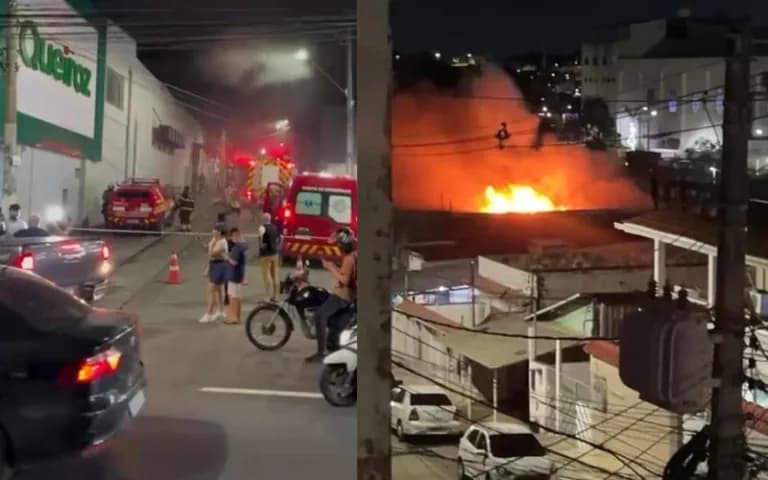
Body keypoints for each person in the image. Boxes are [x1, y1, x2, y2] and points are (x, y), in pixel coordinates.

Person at [305, 227, 357, 363]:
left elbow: (345, 280)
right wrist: (333, 265)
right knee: (333, 320)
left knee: (319, 316)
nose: (337, 247)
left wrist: (330, 268)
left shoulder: (349, 259)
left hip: (342, 296)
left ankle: (320, 352)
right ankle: (332, 345)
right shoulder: (353, 255)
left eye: (338, 244)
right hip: (346, 296)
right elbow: (347, 274)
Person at [200, 224, 229, 323]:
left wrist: (211, 244)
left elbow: (212, 253)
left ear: (220, 232)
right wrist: (201, 243)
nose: (213, 231)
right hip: (214, 265)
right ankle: (221, 311)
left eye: (215, 230)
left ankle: (209, 314)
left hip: (220, 266)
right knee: (219, 290)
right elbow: (208, 252)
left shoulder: (222, 242)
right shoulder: (214, 240)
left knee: (211, 290)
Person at [225, 227, 248, 325]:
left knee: (233, 298)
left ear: (235, 236)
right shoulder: (243, 246)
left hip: (234, 276)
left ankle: (233, 318)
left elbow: (234, 262)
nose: (231, 238)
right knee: (238, 298)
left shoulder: (237, 248)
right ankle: (237, 317)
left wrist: (226, 258)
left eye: (232, 236)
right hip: (239, 275)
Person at [259, 212, 280, 300]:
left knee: (266, 274)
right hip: (274, 253)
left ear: (264, 219)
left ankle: (267, 296)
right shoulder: (275, 228)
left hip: (265, 254)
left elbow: (261, 240)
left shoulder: (262, 228)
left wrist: (262, 246)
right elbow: (278, 238)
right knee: (275, 274)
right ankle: (276, 296)